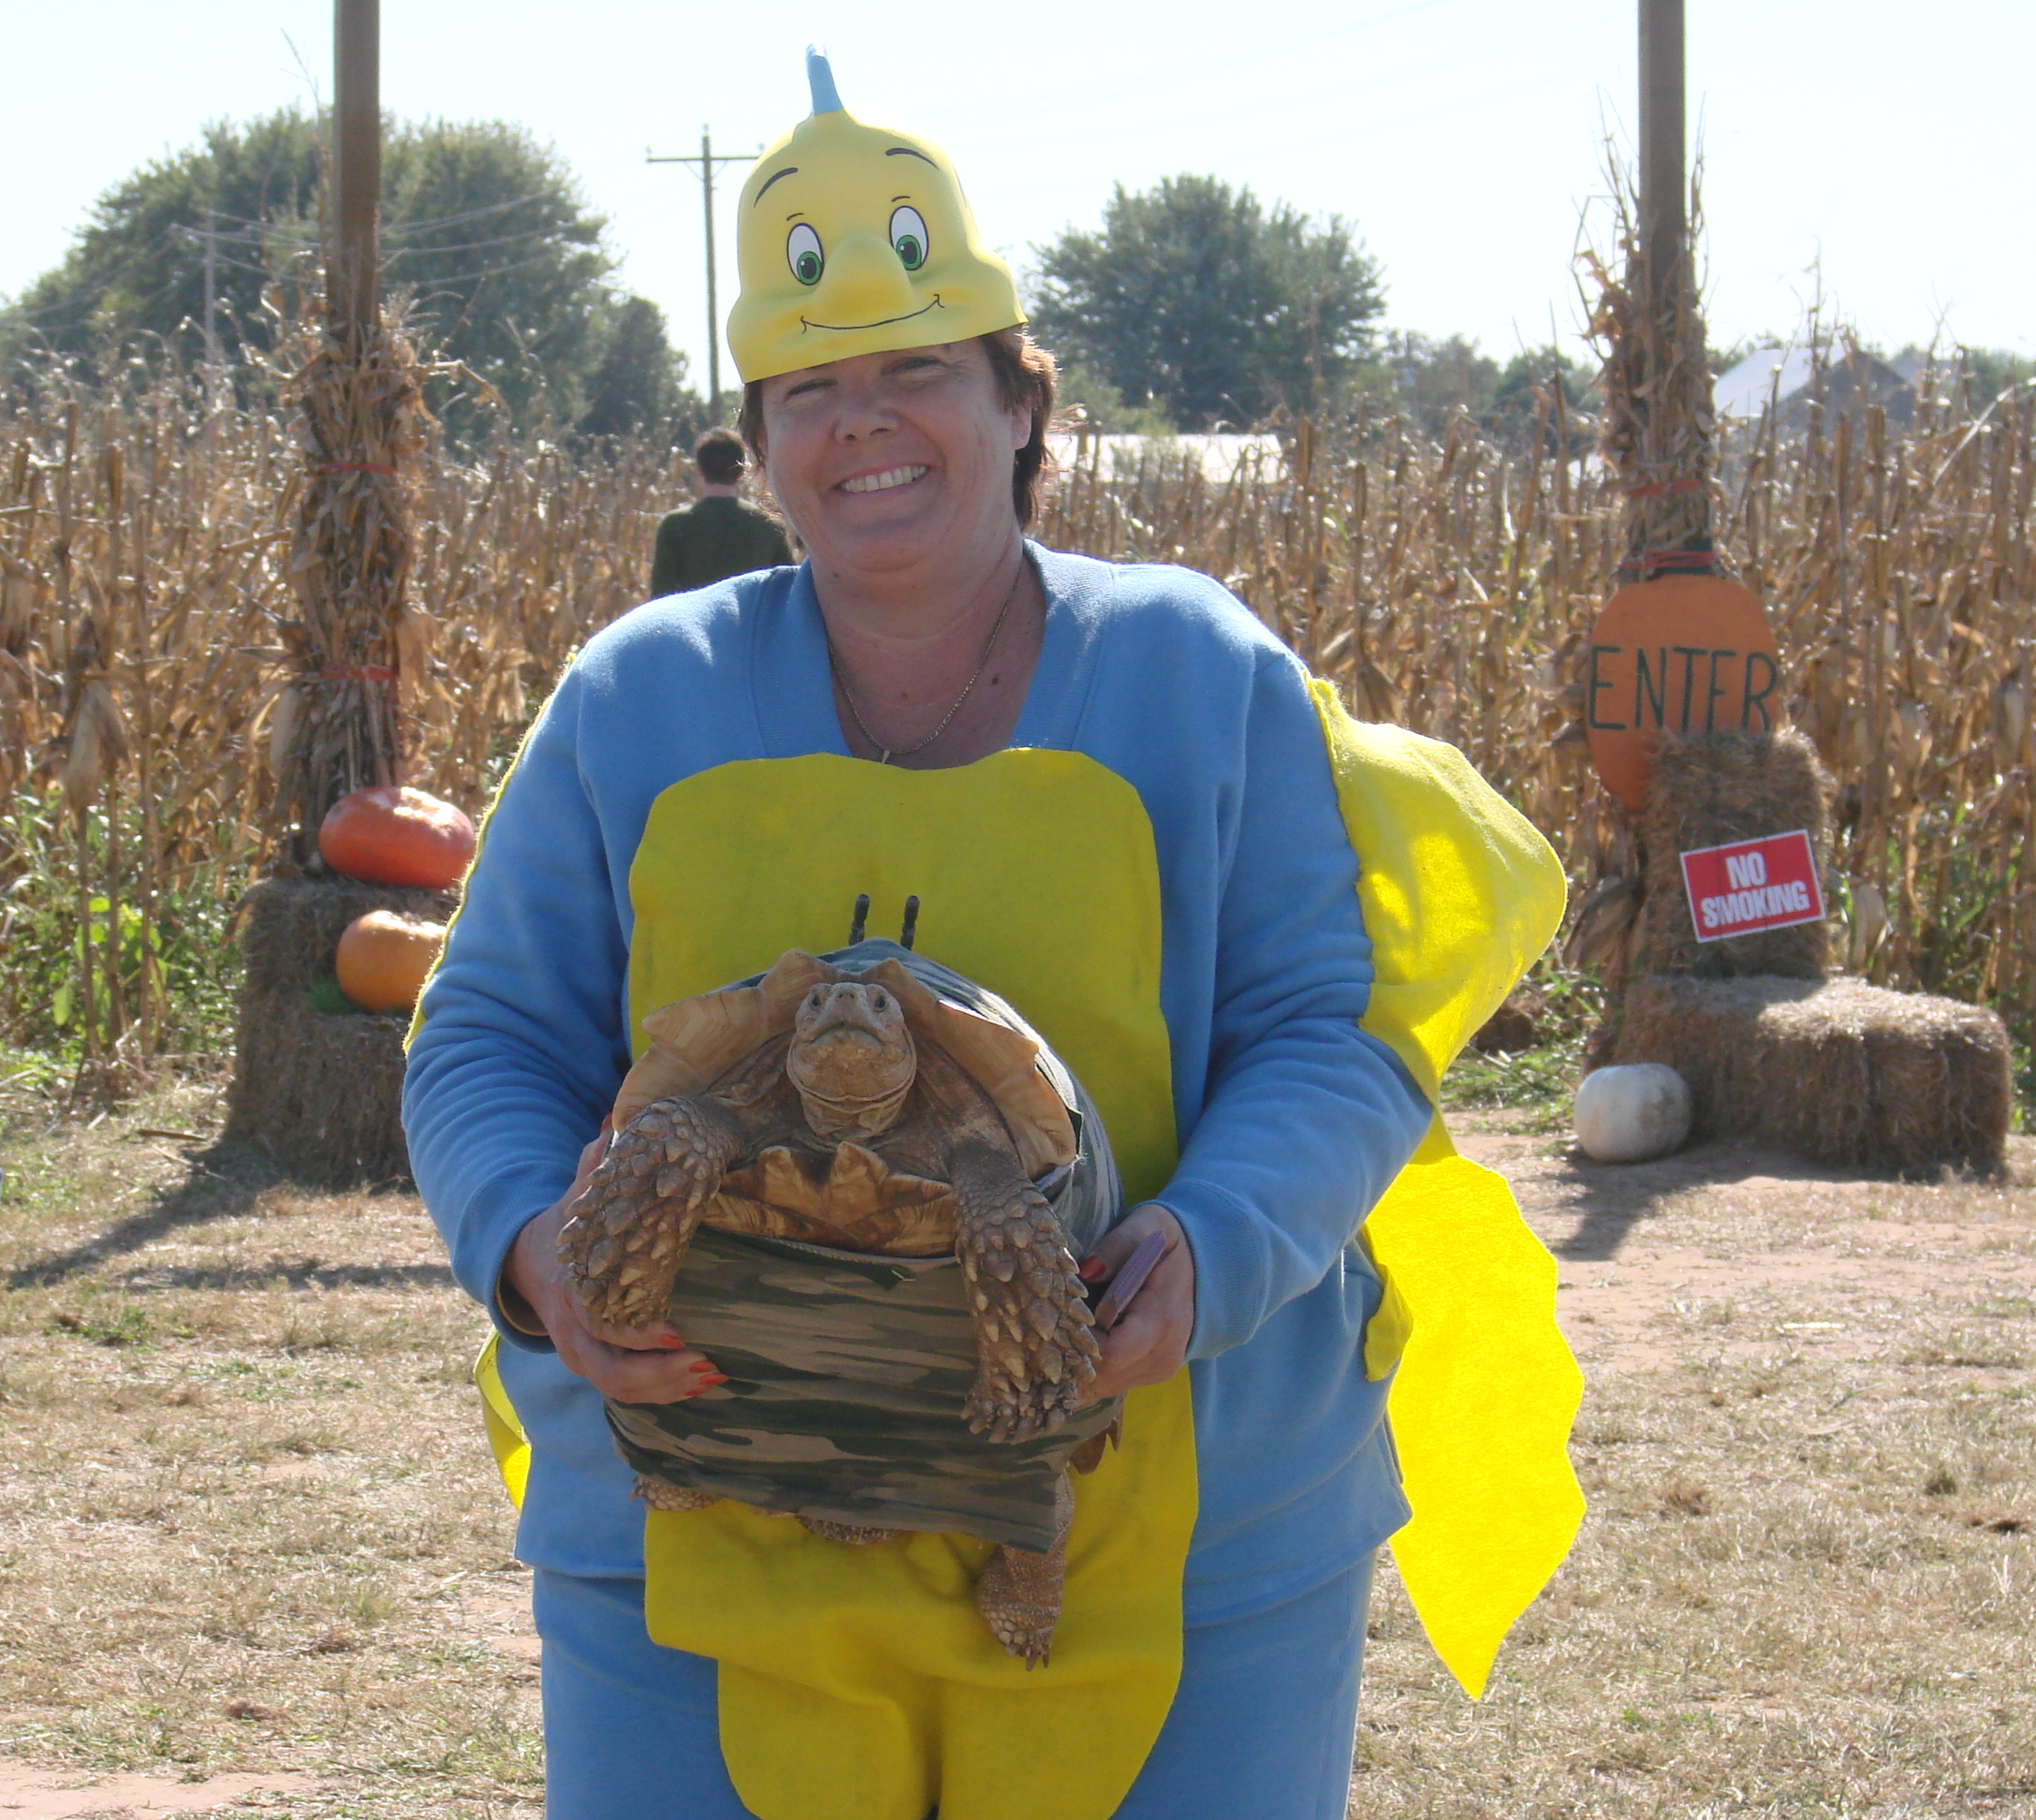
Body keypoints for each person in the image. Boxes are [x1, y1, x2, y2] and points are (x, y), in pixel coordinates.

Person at [404, 53, 1567, 1820]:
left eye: (914, 371)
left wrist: (1216, 1241)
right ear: (765, 439)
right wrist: (535, 1248)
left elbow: (1333, 1037)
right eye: (810, 390)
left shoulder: (1198, 672)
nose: (862, 423)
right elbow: (484, 1035)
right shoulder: (639, 699)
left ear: (1019, 401)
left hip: (1182, 1512)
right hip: (702, 1515)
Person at [648, 427, 794, 597]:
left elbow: (661, 596)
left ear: (699, 470)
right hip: (753, 622)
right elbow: (787, 591)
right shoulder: (768, 524)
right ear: (742, 471)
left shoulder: (674, 525)